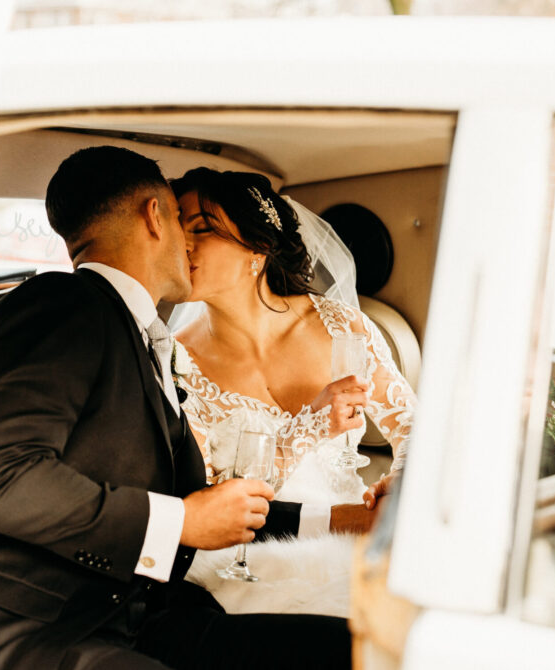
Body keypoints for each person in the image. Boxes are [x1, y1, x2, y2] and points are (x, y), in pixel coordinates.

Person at [0, 146, 370, 670]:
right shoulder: (58, 304)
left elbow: (201, 506)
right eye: (182, 220)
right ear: (156, 217)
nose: (189, 245)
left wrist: (343, 519)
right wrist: (179, 522)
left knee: (363, 651)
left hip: (145, 618)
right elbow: (2, 481)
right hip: (30, 628)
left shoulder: (144, 337)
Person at [171, 167, 416, 513]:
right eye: (176, 233)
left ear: (258, 246)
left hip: (352, 523)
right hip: (244, 553)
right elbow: (207, 502)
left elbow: (411, 426)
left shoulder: (340, 325)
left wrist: (402, 479)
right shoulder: (175, 362)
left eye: (201, 229)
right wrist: (311, 424)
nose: (182, 246)